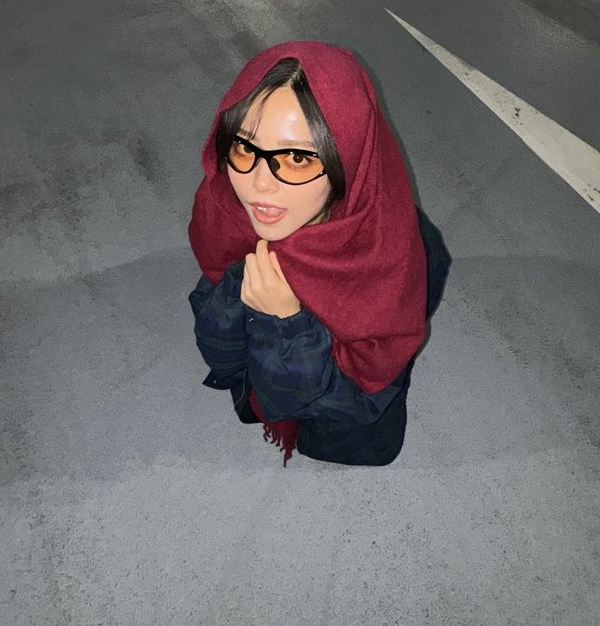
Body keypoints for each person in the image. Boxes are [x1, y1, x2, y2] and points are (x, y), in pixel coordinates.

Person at [188, 41, 451, 467]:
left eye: (296, 157)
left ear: (349, 158)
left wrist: (285, 324)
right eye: (244, 147)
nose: (259, 185)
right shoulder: (225, 213)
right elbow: (220, 344)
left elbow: (363, 395)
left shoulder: (389, 257)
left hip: (341, 426)